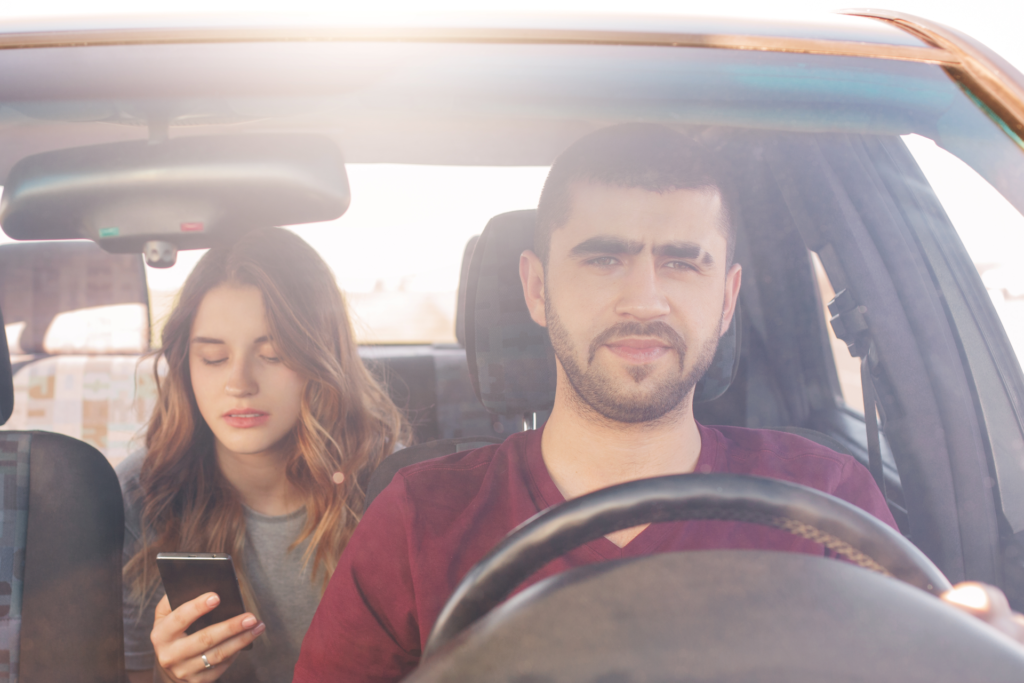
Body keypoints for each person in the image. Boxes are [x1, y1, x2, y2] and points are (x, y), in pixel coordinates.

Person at [292, 124, 1024, 683]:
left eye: (682, 260)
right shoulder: (422, 519)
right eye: (604, 257)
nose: (644, 298)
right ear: (537, 288)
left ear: (728, 296)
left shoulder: (824, 498)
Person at [118, 226, 409, 683]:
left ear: (322, 358)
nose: (239, 383)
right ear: (184, 365)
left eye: (272, 355)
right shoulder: (144, 491)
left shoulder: (398, 490)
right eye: (213, 358)